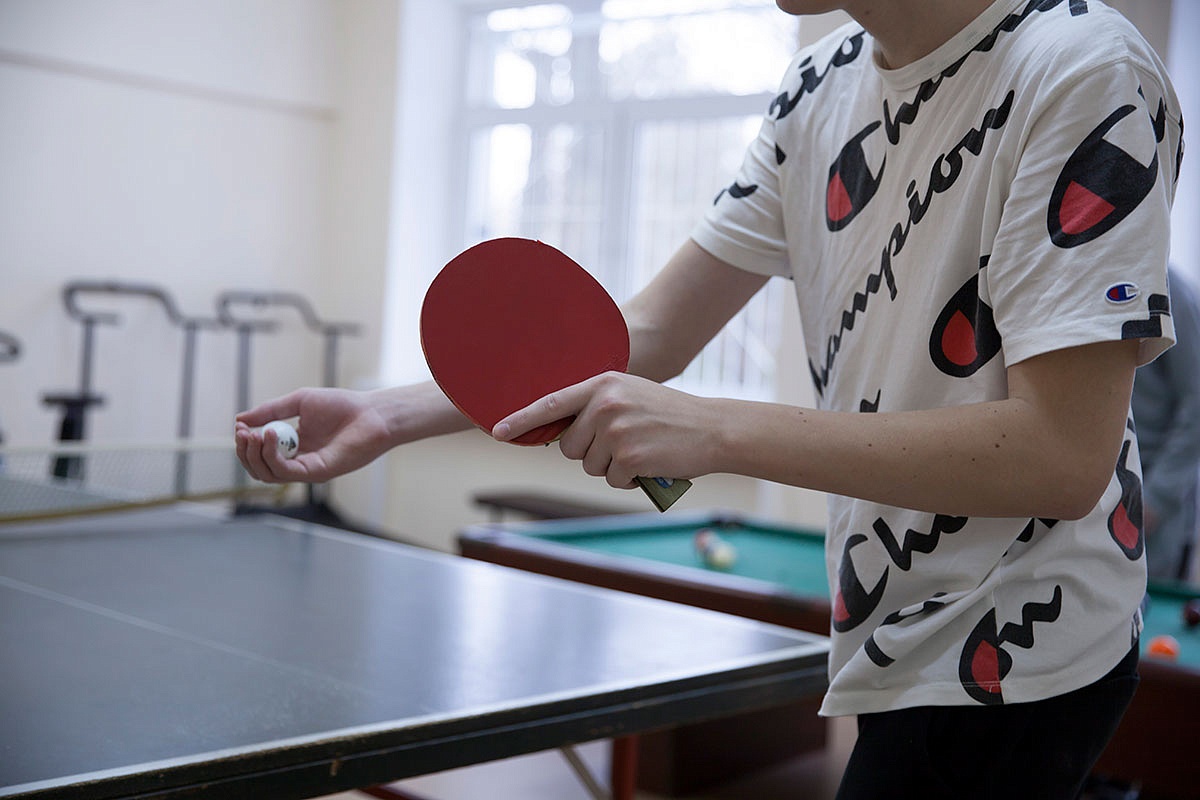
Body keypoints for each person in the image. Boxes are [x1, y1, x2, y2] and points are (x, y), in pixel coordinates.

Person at [237, 1, 1184, 797]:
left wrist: (714, 428)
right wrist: (388, 414)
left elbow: (1060, 456)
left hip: (1024, 638)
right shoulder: (818, 84)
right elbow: (648, 332)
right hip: (887, 616)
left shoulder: (1084, 70)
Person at [1132, 267, 1200, 582]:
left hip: (1154, 511)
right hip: (1099, 500)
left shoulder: (1173, 294)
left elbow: (1197, 408)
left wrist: (1156, 498)